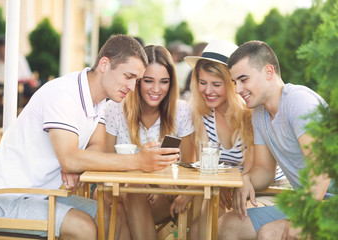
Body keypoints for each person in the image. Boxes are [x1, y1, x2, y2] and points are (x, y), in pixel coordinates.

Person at [0, 34, 180, 240]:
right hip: (0, 199)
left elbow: (97, 147)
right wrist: (137, 160)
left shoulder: (100, 101)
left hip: (42, 196)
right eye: (128, 77)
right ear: (104, 64)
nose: (132, 87)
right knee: (83, 228)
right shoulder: (64, 94)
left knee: (114, 216)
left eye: (136, 80)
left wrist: (75, 164)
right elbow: (70, 157)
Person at [217, 40, 331, 240]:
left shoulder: (300, 102)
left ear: (269, 72)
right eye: (235, 82)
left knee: (269, 234)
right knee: (228, 225)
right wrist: (246, 179)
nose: (237, 90)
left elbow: (322, 169)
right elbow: (265, 170)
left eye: (244, 79)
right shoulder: (259, 113)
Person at [102, 44, 195, 240]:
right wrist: (141, 182)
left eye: (164, 81)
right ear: (137, 81)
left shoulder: (181, 111)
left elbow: (188, 168)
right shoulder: (115, 108)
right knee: (128, 197)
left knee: (127, 204)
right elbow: (104, 165)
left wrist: (157, 185)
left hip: (162, 197)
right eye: (148, 81)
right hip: (117, 192)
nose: (156, 89)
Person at [177, 38, 253, 239]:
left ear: (232, 84)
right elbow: (201, 163)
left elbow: (257, 168)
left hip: (258, 191)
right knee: (196, 232)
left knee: (217, 228)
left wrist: (227, 183)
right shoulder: (201, 115)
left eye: (216, 84)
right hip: (219, 191)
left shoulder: (250, 115)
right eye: (202, 83)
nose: (208, 91)